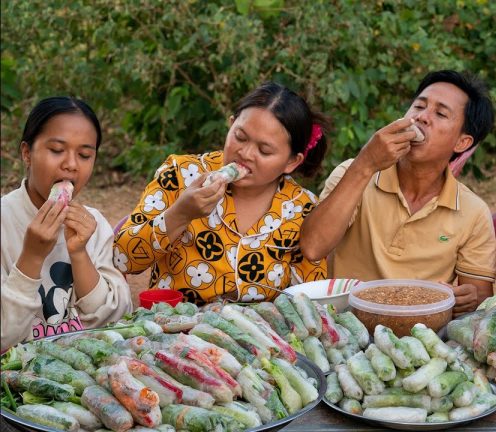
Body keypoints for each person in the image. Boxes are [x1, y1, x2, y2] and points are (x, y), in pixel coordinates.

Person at [300, 70, 496, 316]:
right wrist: (365, 164)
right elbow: (312, 247)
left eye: (440, 113)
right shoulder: (353, 173)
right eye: (418, 106)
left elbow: (479, 299)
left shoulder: (473, 212)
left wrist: (468, 299)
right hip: (344, 326)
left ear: (462, 143)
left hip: (420, 337)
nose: (422, 117)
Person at [114, 82, 328, 305]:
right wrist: (180, 214)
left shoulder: (302, 208)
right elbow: (124, 259)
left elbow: (309, 300)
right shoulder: (180, 175)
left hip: (260, 336)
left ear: (292, 162)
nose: (245, 153)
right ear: (231, 124)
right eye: (240, 137)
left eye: (264, 150)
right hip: (174, 331)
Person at [1, 96, 132, 351]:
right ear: (27, 153)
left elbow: (117, 322)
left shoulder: (94, 226)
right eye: (57, 150)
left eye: (84, 155)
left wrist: (80, 253)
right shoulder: (5, 221)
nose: (71, 165)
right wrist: (31, 256)